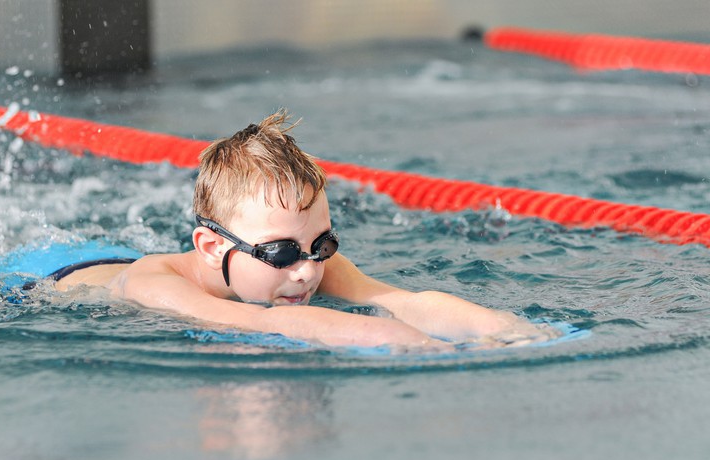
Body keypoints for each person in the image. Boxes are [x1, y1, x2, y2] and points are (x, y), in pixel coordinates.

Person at [53, 110, 556, 350]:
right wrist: (422, 347)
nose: (307, 271)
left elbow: (400, 299)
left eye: (323, 244)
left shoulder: (308, 263)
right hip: (56, 277)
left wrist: (503, 327)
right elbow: (266, 324)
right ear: (212, 246)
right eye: (280, 254)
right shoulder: (155, 287)